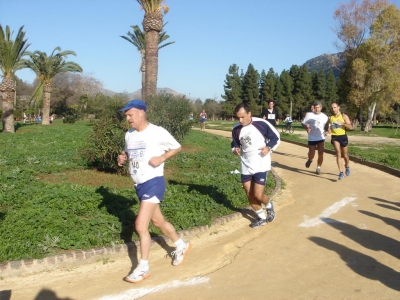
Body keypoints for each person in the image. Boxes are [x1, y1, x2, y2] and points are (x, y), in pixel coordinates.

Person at [117, 99, 191, 284]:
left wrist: (162, 157)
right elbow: (129, 153)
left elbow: (177, 147)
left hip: (153, 182)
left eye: (130, 114)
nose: (128, 118)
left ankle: (143, 267)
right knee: (158, 221)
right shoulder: (129, 134)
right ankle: (181, 245)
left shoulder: (157, 132)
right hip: (138, 185)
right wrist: (123, 157)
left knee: (141, 225)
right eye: (126, 115)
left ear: (142, 113)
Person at [231, 102, 280, 228]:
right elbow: (235, 142)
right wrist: (235, 149)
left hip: (261, 163)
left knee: (258, 194)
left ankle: (269, 205)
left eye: (242, 117)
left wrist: (269, 147)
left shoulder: (261, 124)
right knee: (249, 194)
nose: (240, 120)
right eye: (238, 117)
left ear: (249, 113)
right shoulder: (236, 129)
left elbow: (276, 137)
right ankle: (261, 217)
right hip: (246, 164)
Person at [302, 101, 329, 175]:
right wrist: (306, 128)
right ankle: (310, 159)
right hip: (312, 137)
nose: (317, 109)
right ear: (313, 108)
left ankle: (318, 168)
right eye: (315, 108)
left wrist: (327, 130)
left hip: (321, 137)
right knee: (312, 153)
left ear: (321, 108)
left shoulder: (325, 116)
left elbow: (327, 126)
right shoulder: (309, 115)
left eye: (318, 108)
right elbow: (303, 124)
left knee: (321, 153)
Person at [328, 102, 353, 180]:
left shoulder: (344, 116)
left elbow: (351, 127)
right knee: (338, 154)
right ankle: (341, 172)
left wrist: (343, 123)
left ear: (338, 107)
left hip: (343, 137)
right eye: (332, 108)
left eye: (335, 107)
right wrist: (328, 130)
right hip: (335, 137)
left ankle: (347, 166)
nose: (333, 109)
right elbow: (328, 126)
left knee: (345, 155)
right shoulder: (331, 118)